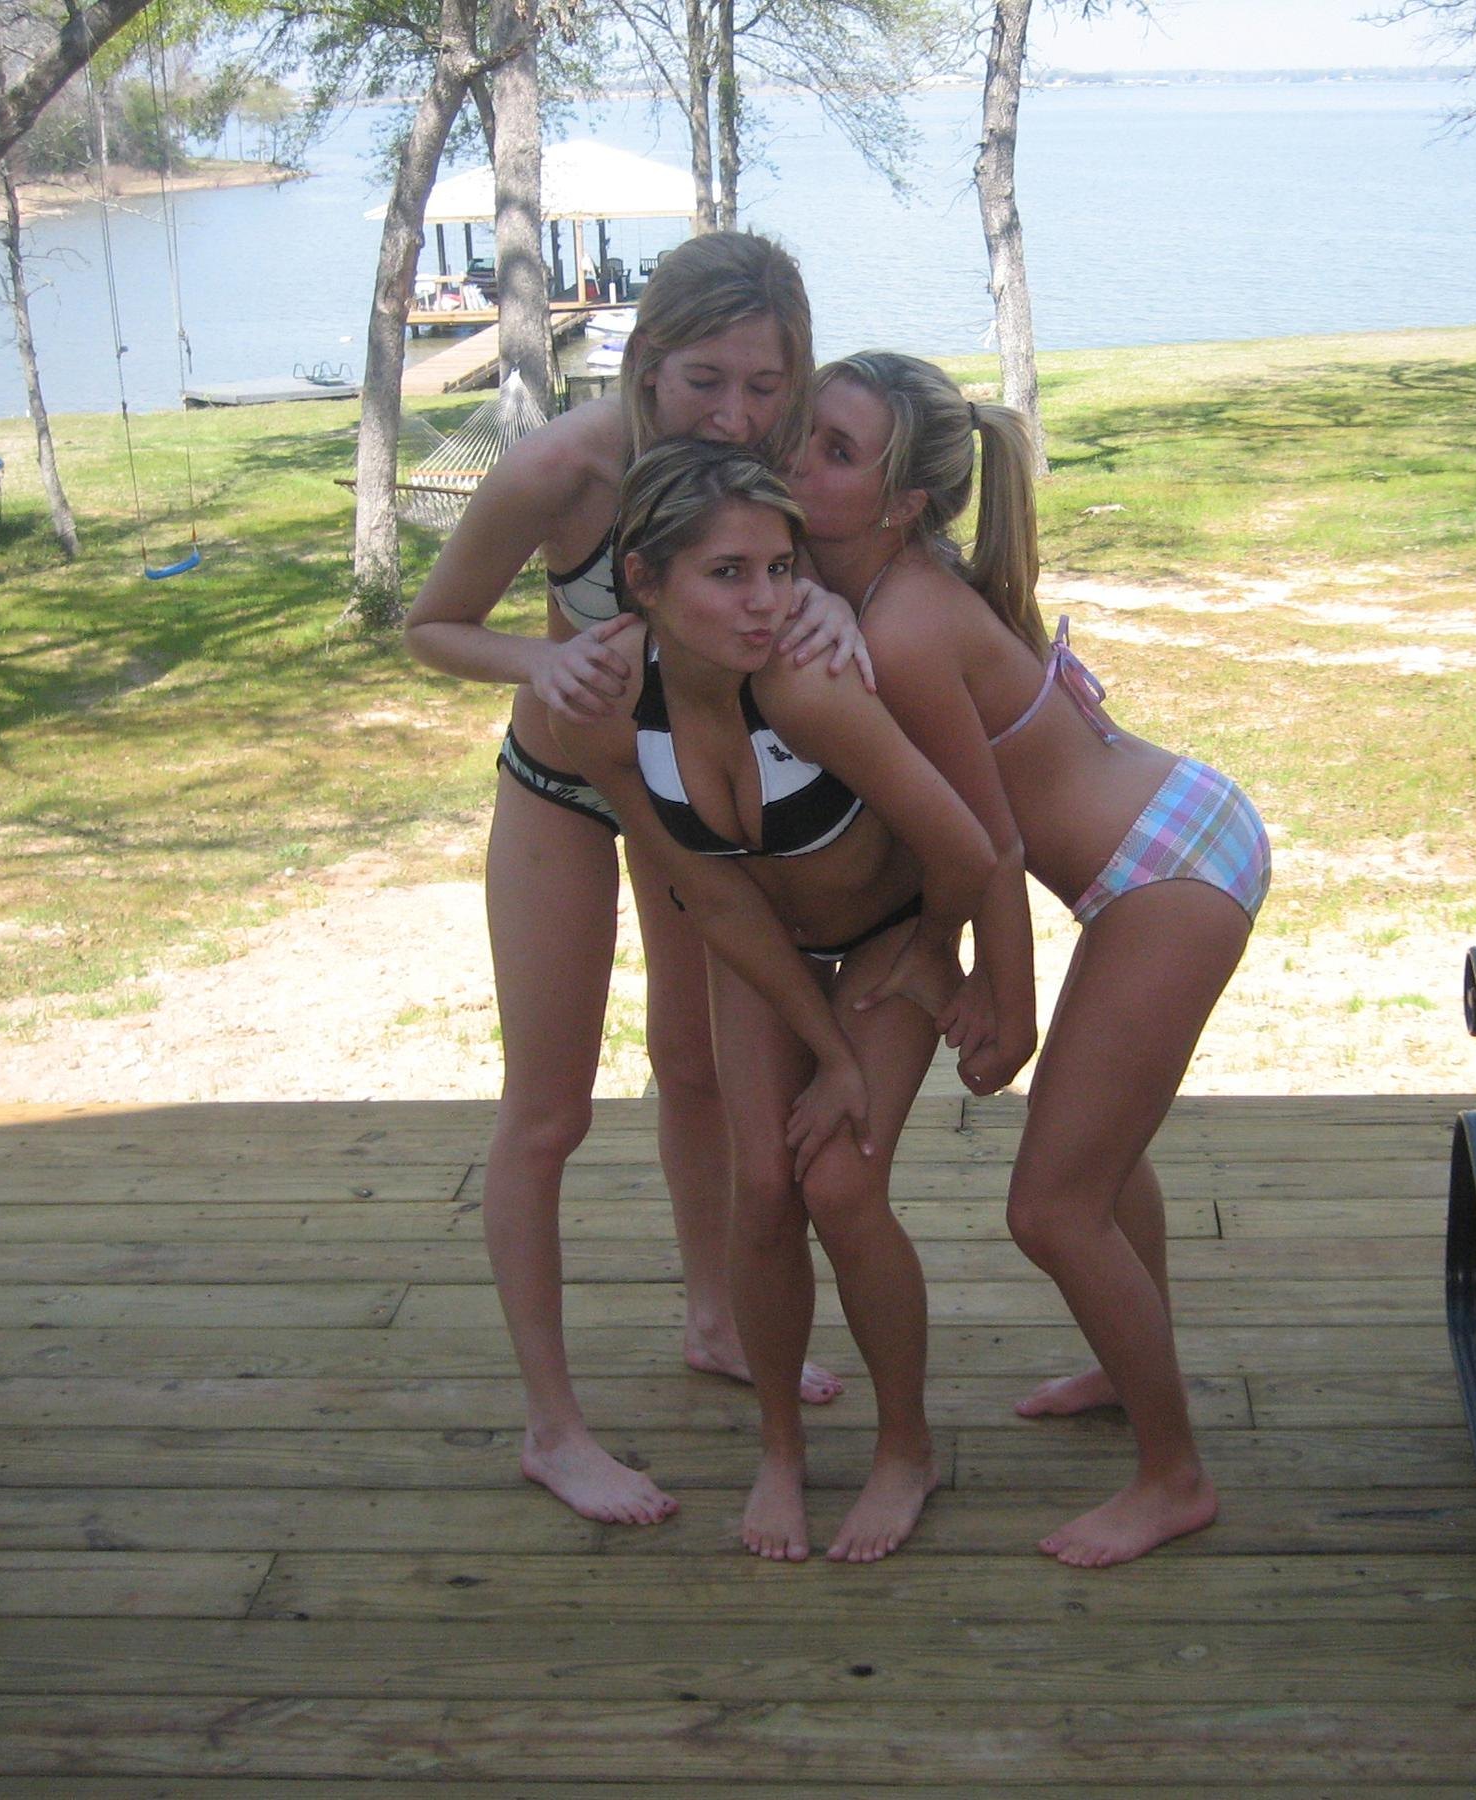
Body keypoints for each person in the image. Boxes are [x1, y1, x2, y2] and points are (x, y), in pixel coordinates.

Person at [402, 232, 865, 1528]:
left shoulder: (785, 461)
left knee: (699, 1066)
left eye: (765, 384)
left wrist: (839, 606)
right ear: (646, 358)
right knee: (547, 1112)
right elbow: (432, 623)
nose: (737, 415)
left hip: (692, 797)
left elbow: (861, 566)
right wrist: (536, 663)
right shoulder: (563, 469)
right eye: (705, 380)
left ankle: (715, 1319)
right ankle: (553, 1429)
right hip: (563, 785)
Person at [785, 351, 1273, 1567]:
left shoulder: (902, 625)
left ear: (902, 502)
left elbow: (991, 845)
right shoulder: (887, 585)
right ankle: (1127, 1369)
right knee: (1099, 1161)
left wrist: (1007, 1008)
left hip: (1165, 878)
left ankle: (1174, 1477)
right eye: (806, 430)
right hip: (1175, 829)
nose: (797, 458)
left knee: (1051, 1208)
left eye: (835, 451)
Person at [549, 439, 997, 1563]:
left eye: (784, 568)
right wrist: (825, 1051)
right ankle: (781, 1454)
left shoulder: (805, 683)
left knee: (840, 1186)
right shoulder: (606, 709)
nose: (768, 601)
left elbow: (969, 850)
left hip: (892, 934)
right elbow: (708, 894)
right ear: (645, 580)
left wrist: (930, 959)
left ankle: (905, 1449)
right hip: (762, 948)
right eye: (729, 573)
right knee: (760, 1188)